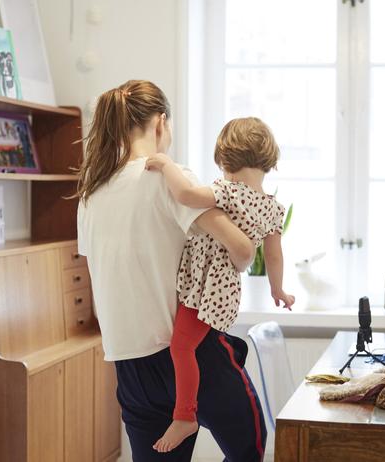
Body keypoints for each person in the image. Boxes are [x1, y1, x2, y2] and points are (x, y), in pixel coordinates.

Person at [76, 80, 267, 461]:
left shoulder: (91, 193)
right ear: (161, 123)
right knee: (251, 448)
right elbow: (242, 250)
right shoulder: (167, 177)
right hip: (190, 354)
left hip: (129, 366)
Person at [145, 117, 295, 453]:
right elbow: (273, 256)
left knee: (181, 348)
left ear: (225, 158)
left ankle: (185, 415)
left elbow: (184, 193)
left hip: (204, 288)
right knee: (191, 347)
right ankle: (187, 411)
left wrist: (167, 163)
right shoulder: (272, 208)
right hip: (224, 291)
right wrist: (278, 291)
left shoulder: (224, 191)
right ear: (267, 159)